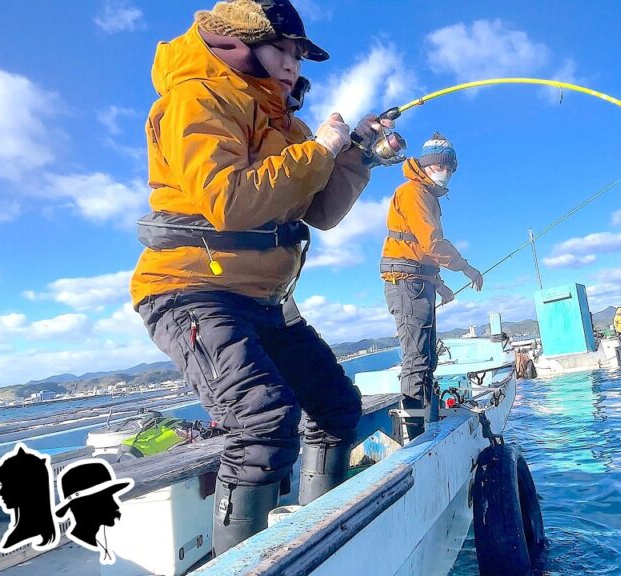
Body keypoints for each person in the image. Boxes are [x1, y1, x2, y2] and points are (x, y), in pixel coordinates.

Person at [130, 0, 394, 556]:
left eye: (300, 55)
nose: (295, 64)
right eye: (283, 49)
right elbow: (228, 199)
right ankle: (246, 565)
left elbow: (318, 210)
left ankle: (319, 538)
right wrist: (320, 148)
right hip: (191, 291)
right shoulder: (195, 96)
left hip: (263, 300)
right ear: (238, 42)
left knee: (336, 406)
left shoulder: (285, 122)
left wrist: (357, 155)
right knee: (262, 422)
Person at [380, 133, 483, 440]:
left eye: (451, 167)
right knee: (417, 358)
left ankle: (426, 419)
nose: (447, 172)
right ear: (427, 165)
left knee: (427, 357)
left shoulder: (426, 195)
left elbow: (420, 249)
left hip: (418, 281)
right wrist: (466, 268)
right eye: (442, 165)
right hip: (407, 284)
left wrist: (438, 284)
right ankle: (414, 435)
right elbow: (432, 242)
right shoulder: (414, 193)